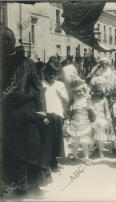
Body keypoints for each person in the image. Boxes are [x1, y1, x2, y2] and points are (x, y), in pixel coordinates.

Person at [1, 27, 50, 197]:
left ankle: (30, 185)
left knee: (30, 150)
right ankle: (11, 186)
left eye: (7, 40)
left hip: (27, 114)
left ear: (12, 41)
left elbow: (38, 88)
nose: (4, 44)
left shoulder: (28, 63)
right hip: (6, 116)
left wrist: (43, 112)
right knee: (9, 151)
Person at [42, 61, 69, 172]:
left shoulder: (60, 85)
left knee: (56, 140)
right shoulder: (41, 84)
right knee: (46, 139)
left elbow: (67, 100)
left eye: (55, 73)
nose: (52, 75)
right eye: (50, 72)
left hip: (57, 114)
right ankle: (45, 163)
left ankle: (54, 162)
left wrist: (61, 95)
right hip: (46, 114)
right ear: (46, 72)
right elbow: (39, 100)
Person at [65, 79, 95, 165]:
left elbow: (91, 113)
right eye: (77, 92)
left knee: (84, 142)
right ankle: (74, 156)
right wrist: (69, 115)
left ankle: (86, 157)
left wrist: (91, 112)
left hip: (84, 123)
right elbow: (69, 113)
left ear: (84, 91)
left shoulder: (87, 101)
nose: (79, 93)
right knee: (75, 142)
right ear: (74, 92)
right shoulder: (73, 102)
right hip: (75, 124)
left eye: (81, 91)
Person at [90, 76, 116, 158]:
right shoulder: (91, 100)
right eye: (95, 91)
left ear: (102, 92)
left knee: (107, 130)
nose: (97, 93)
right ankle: (97, 149)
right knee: (95, 133)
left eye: (99, 91)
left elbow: (106, 111)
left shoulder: (104, 100)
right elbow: (89, 111)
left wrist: (108, 117)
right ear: (92, 91)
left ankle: (114, 149)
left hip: (102, 119)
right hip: (94, 119)